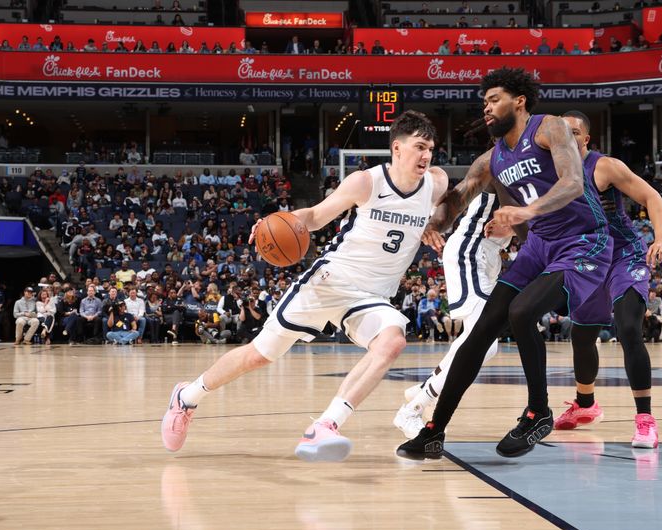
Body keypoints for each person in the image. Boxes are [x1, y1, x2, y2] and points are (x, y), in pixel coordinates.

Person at [160, 110, 448, 462]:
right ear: (397, 149)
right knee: (259, 354)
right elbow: (315, 215)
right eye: (419, 147)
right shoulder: (366, 182)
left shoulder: (437, 182)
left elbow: (446, 205)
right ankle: (186, 397)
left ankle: (326, 426)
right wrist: (279, 220)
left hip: (373, 296)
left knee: (392, 342)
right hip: (330, 283)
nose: (426, 155)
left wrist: (436, 222)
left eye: (430, 149)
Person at [397, 67, 612, 460]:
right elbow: (459, 197)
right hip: (540, 246)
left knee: (521, 311)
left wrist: (525, 212)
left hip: (583, 241)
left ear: (519, 101)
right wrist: (432, 222)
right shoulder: (492, 158)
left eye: (494, 100)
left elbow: (573, 183)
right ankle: (433, 431)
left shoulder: (550, 128)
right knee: (479, 333)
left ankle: (538, 411)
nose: (487, 109)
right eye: (484, 103)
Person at [552, 111, 662, 449]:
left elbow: (652, 198)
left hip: (624, 255)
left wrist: (661, 237)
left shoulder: (604, 167)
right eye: (560, 132)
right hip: (588, 260)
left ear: (586, 139)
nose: (566, 138)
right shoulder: (551, 172)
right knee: (582, 334)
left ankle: (645, 420)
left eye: (573, 132)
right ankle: (585, 405)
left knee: (629, 327)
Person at [393, 190, 509, 438]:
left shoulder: (549, 167)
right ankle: (412, 410)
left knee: (473, 337)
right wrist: (433, 224)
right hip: (472, 249)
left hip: (489, 255)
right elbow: (459, 193)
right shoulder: (501, 159)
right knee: (484, 344)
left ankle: (425, 387)